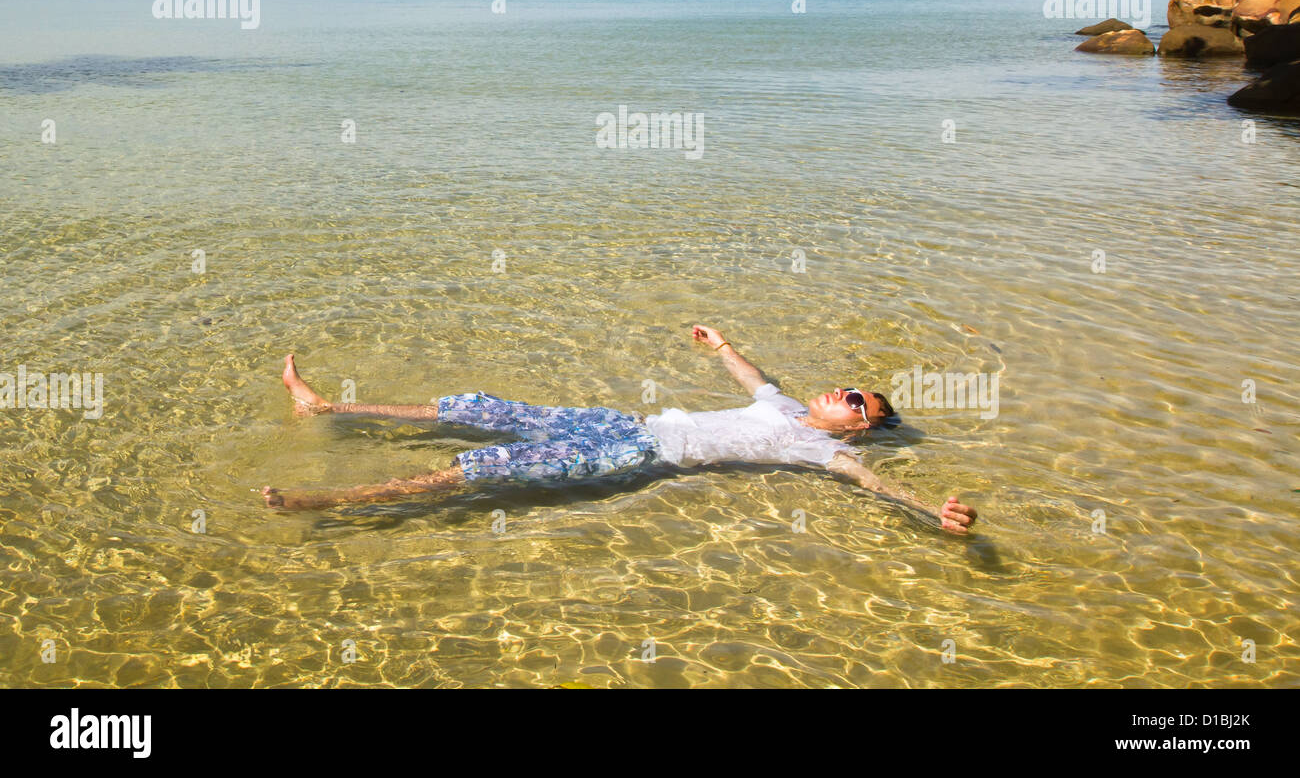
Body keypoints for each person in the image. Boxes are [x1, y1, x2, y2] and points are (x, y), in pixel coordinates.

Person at [261, 324, 978, 534]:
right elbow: (751, 377)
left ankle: (331, 504)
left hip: (636, 450)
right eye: (851, 385)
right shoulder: (784, 407)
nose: (842, 390)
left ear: (854, 428)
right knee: (481, 405)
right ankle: (325, 408)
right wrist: (722, 343)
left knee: (482, 469)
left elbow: (870, 480)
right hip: (620, 420)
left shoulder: (818, 447)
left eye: (857, 400)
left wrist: (927, 508)